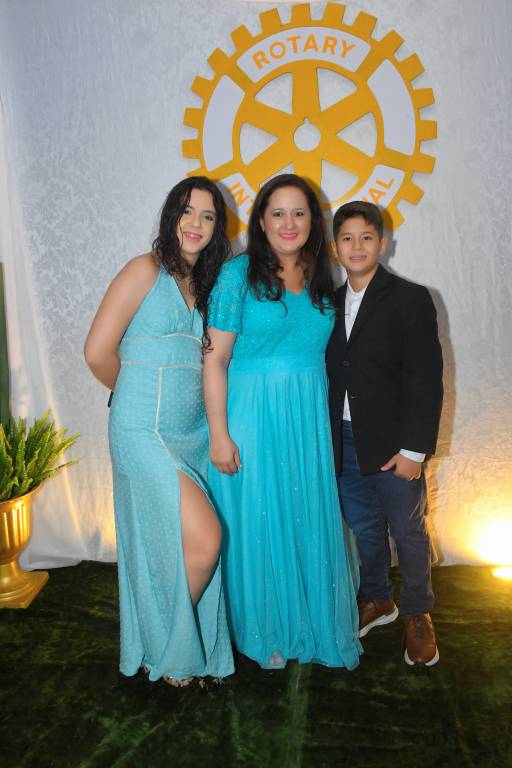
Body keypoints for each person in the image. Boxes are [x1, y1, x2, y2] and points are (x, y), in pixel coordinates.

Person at [203, 173, 362, 671]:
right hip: (251, 415)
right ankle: (263, 626)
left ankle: (309, 620)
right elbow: (214, 358)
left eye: (298, 212)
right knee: (258, 518)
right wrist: (219, 433)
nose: (288, 223)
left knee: (301, 515)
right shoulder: (237, 275)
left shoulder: (322, 275)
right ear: (261, 220)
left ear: (313, 220)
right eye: (277, 212)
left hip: (307, 418)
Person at [84, 177, 234, 686]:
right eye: (187, 211)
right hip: (142, 430)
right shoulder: (143, 270)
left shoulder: (207, 286)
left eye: (208, 216)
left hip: (191, 434)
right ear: (171, 216)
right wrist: (130, 393)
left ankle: (165, 649)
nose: (196, 224)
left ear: (217, 228)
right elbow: (97, 353)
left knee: (181, 543)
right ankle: (169, 648)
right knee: (207, 539)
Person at [326, 200, 443, 667]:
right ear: (334, 248)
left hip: (396, 445)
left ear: (383, 243)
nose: (356, 246)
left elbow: (425, 380)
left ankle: (418, 613)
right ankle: (378, 598)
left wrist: (414, 449)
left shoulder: (410, 298)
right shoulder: (327, 303)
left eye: (366, 237)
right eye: (347, 238)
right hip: (344, 442)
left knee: (408, 531)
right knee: (364, 528)